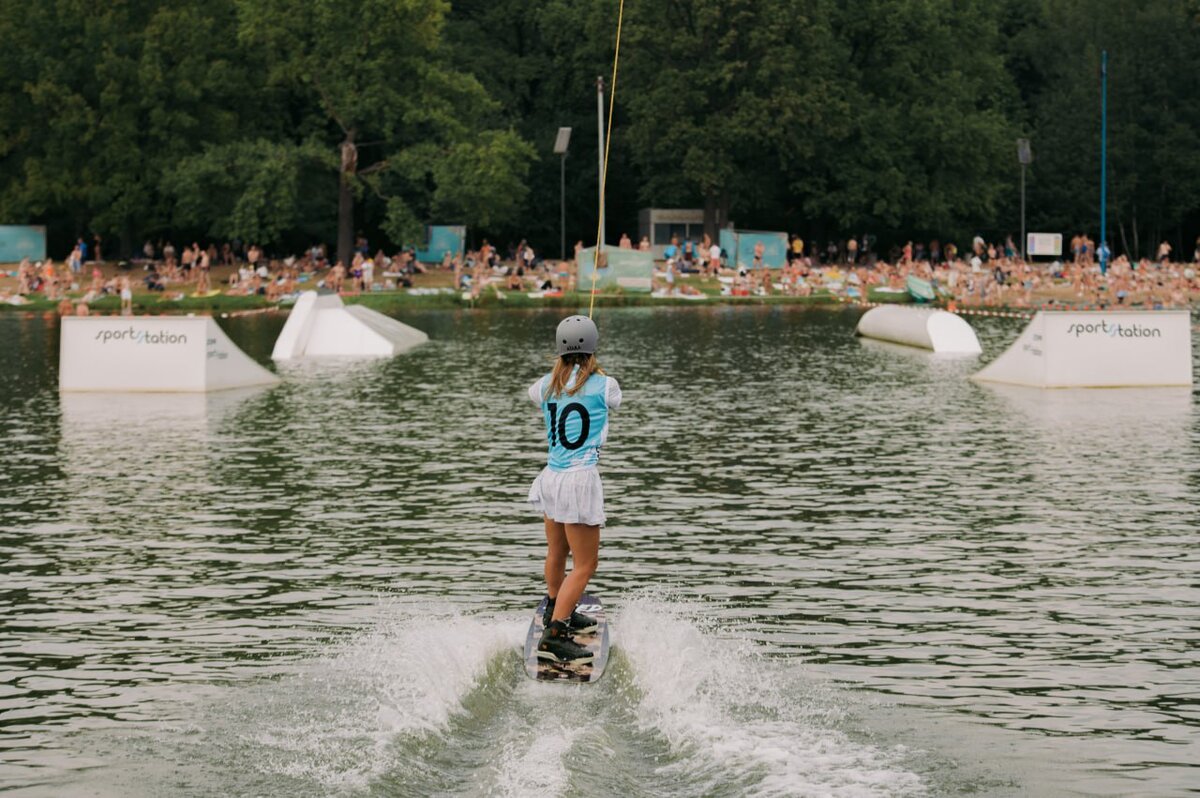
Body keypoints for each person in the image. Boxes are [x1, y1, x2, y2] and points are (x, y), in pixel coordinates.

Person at [527, 316, 621, 663]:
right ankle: (555, 632)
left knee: (557, 551)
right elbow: (616, 401)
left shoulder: (545, 386)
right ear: (593, 347)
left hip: (552, 477)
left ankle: (557, 605)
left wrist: (566, 378)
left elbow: (533, 393)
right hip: (580, 479)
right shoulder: (606, 384)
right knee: (585, 564)